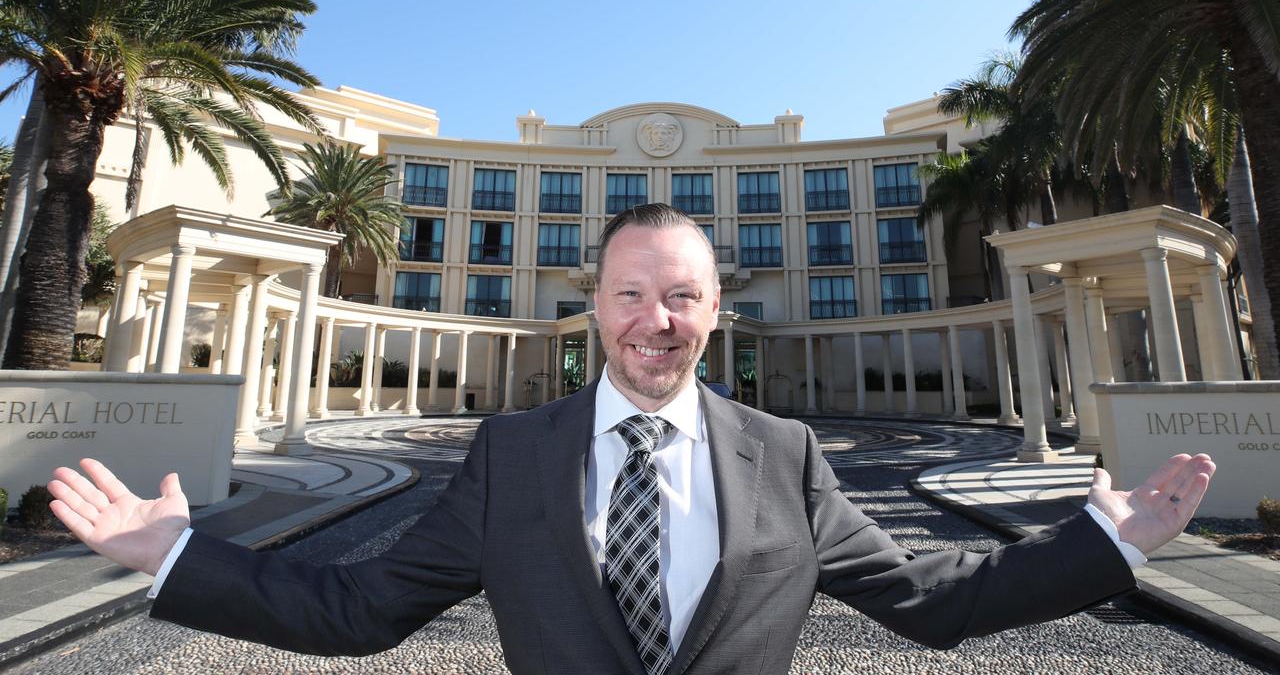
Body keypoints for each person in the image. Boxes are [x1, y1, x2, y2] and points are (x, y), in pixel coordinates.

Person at [48, 204, 1215, 675]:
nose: (655, 323)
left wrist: (1102, 546)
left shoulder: (785, 455)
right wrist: (176, 558)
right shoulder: (511, 456)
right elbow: (360, 614)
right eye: (628, 296)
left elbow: (929, 597)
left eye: (681, 299)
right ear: (596, 303)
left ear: (714, 310)